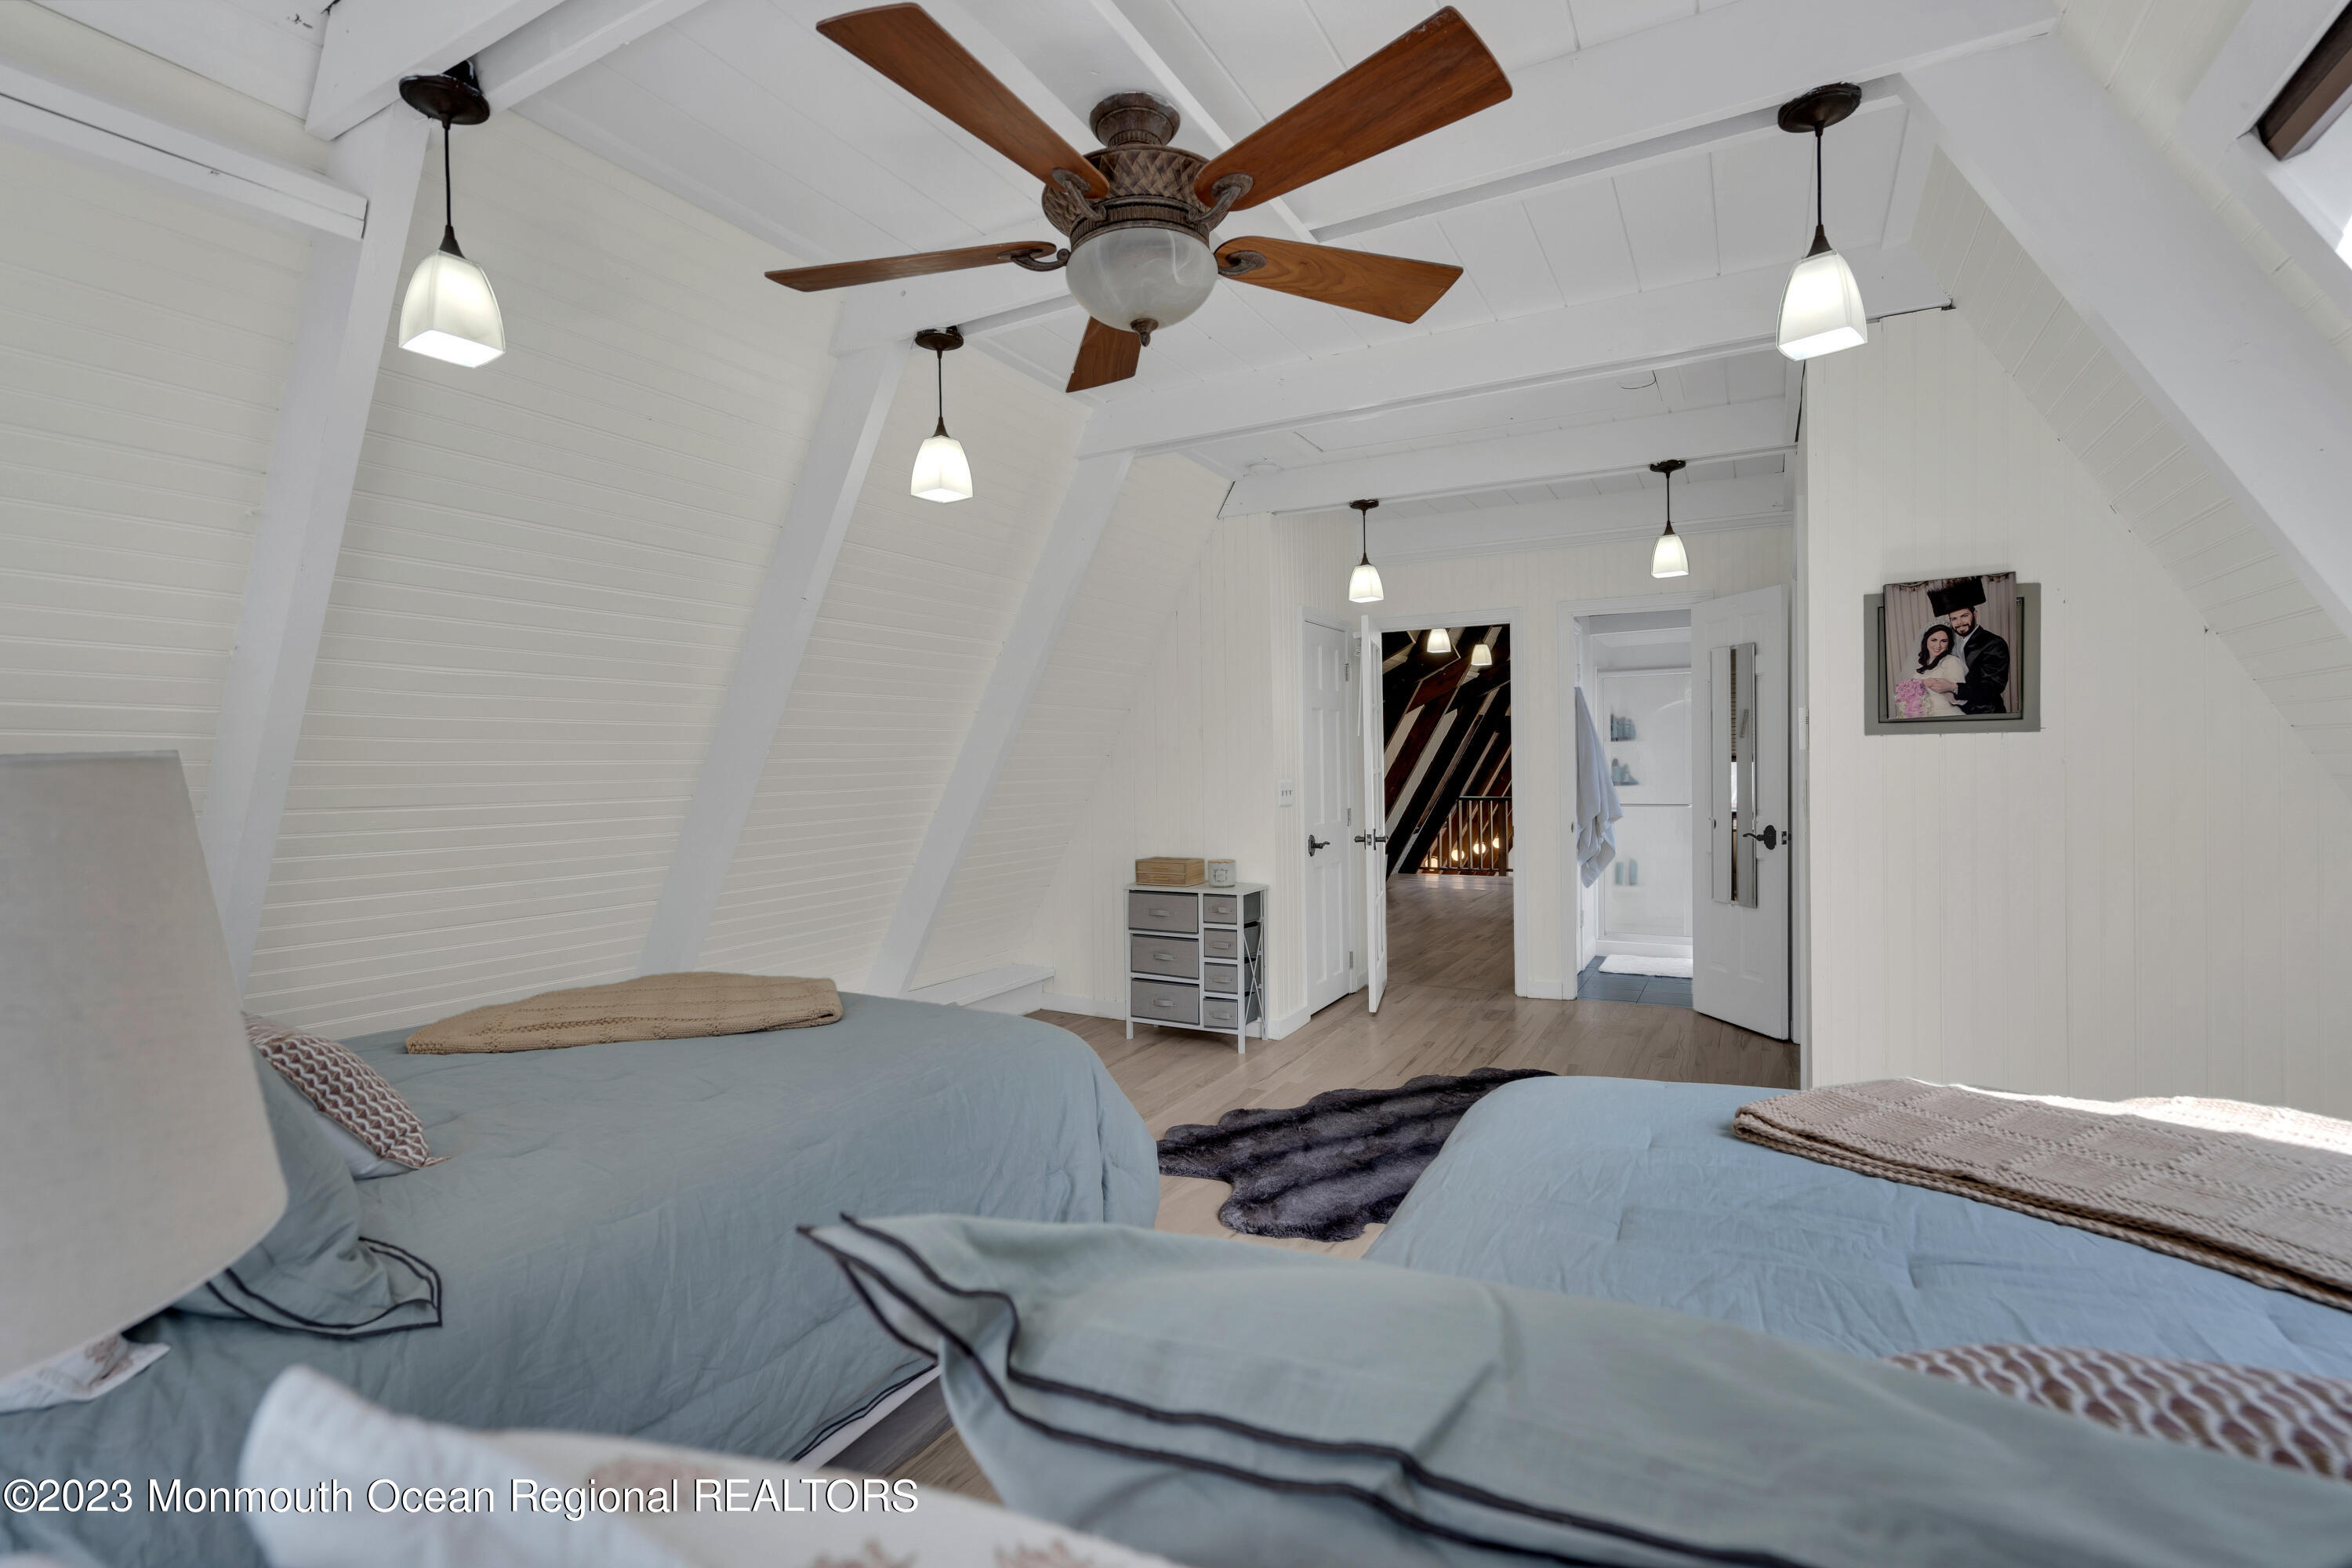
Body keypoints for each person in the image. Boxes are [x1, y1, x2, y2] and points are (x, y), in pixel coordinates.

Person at [1921, 600, 2009, 714]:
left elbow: (1993, 686)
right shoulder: (1951, 642)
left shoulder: (1993, 643)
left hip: (1985, 712)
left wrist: (1954, 687)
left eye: (1964, 616)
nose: (1959, 622)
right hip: (1959, 711)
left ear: (1975, 614)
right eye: (1954, 619)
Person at [1912, 624, 1966, 717]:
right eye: (1934, 640)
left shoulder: (1952, 662)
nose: (1938, 645)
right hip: (1921, 715)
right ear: (1926, 641)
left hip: (1944, 714)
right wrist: (1922, 683)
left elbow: (1962, 700)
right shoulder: (1921, 663)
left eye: (1944, 641)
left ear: (1949, 643)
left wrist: (1946, 688)